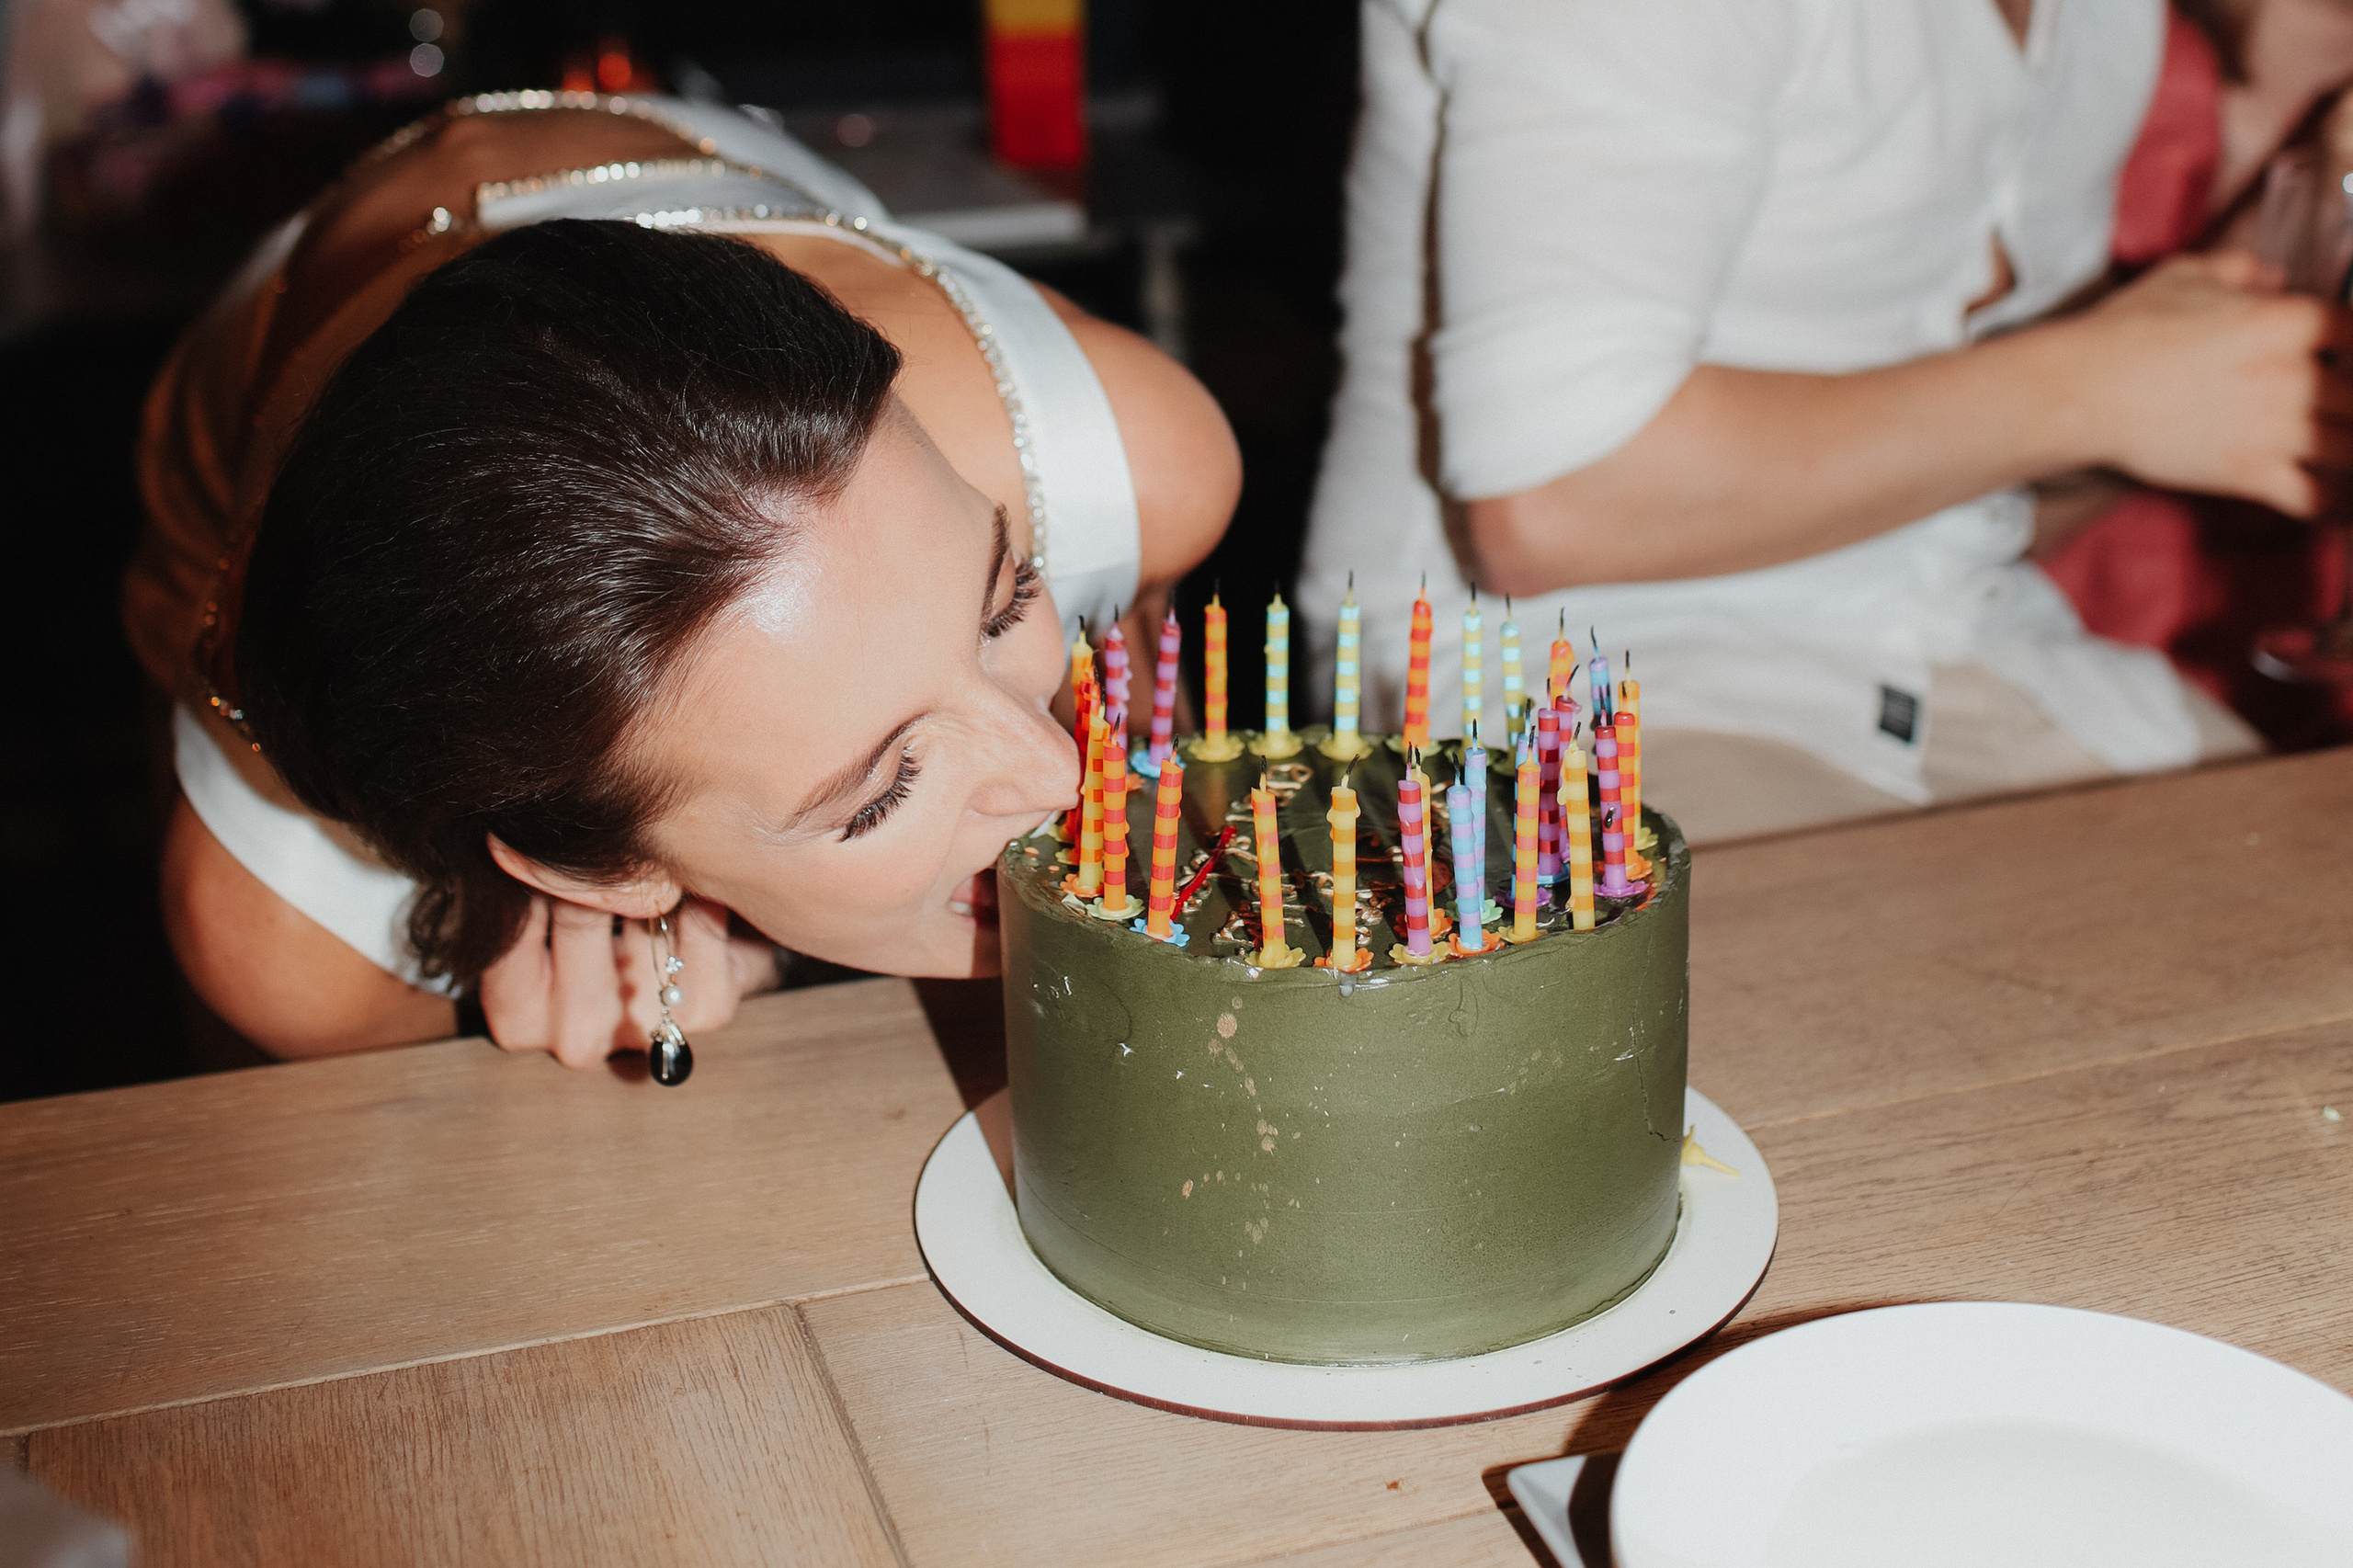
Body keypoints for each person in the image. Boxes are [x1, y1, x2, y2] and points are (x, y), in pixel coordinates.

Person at [125, 92, 1237, 1066]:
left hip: (634, 173)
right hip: (261, 368)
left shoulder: (1136, 455)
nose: (1055, 773)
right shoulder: (288, 943)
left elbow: (1141, 690)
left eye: (1002, 602)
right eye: (883, 787)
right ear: (604, 872)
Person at [1301, 0, 2352, 843]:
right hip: (1566, 696)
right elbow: (1554, 500)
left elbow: (1969, 486)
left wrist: (2213, 375)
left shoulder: (2098, 21)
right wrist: (2100, 386)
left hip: (1978, 657)